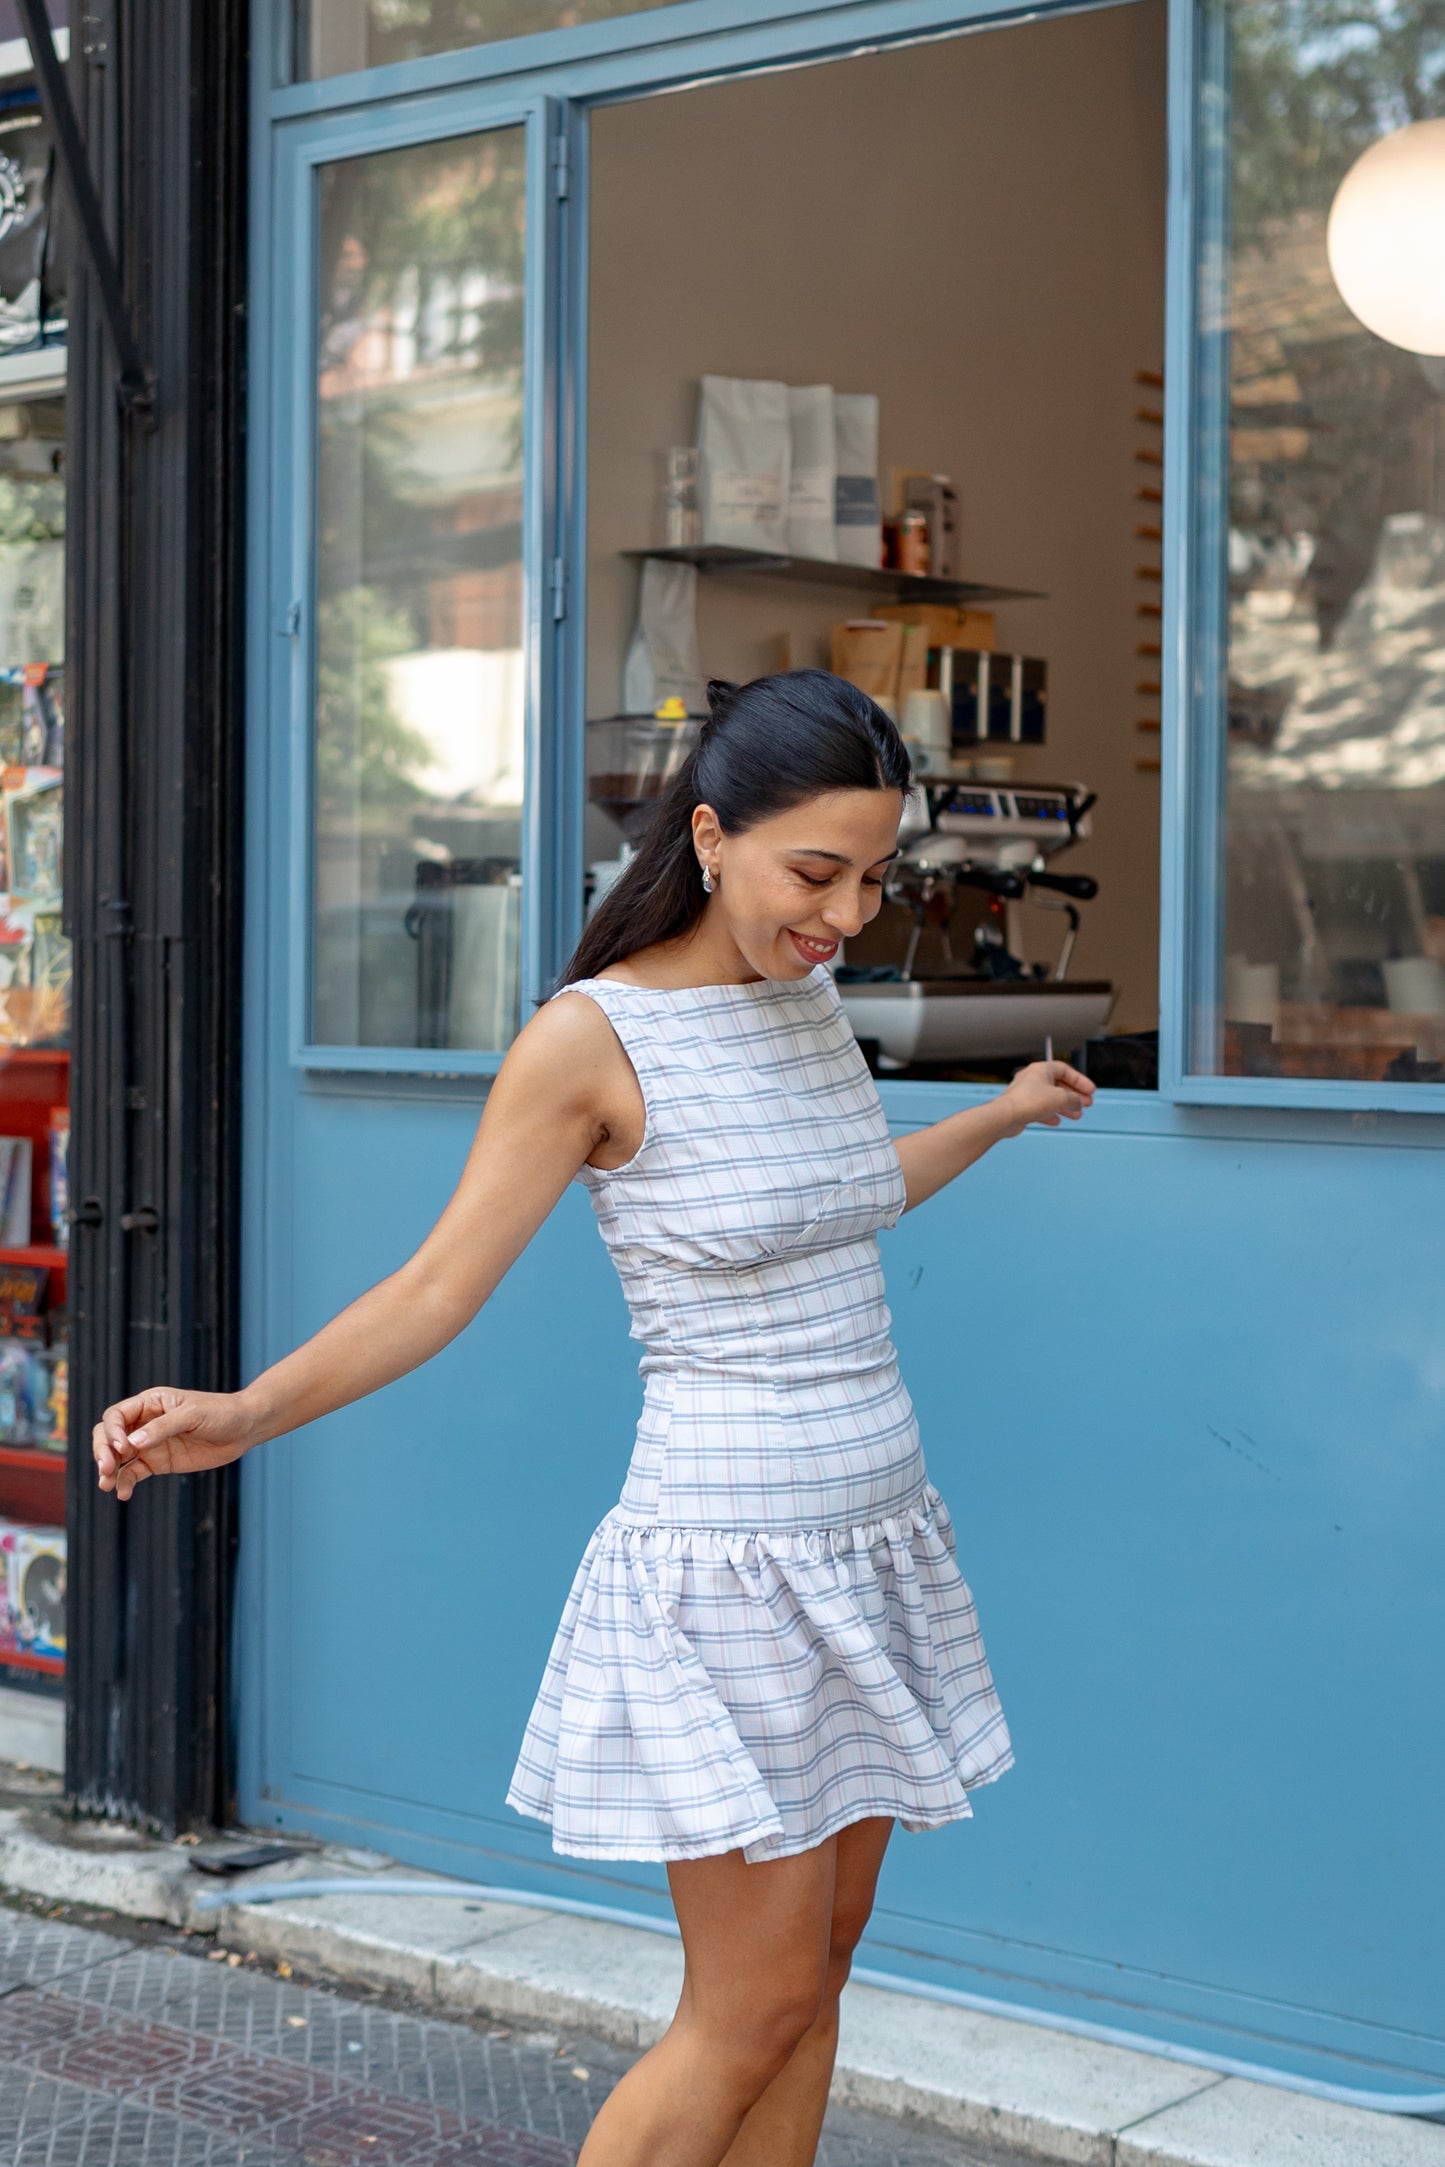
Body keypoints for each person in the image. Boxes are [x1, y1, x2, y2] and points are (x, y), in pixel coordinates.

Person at [93, 670, 1094, 2167]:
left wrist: (1005, 1111)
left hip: (872, 1536)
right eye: (814, 872)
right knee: (744, 2009)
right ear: (708, 833)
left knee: (814, 1983)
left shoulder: (804, 1001)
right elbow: (436, 1289)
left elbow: (850, 1194)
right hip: (735, 1564)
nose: (847, 912)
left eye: (875, 876)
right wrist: (247, 1412)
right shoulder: (590, 1040)